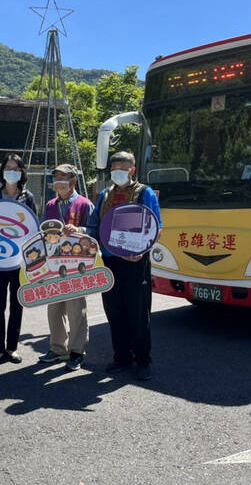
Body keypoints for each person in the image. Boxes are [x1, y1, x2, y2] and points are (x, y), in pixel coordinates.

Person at [86, 151, 162, 381]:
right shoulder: (104, 195)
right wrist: (86, 240)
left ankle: (142, 360)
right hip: (109, 260)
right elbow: (94, 225)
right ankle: (121, 357)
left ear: (133, 169)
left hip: (134, 261)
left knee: (138, 312)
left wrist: (141, 251)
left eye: (123, 167)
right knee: (114, 310)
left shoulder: (144, 193)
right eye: (114, 168)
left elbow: (156, 226)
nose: (118, 171)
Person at [39, 164, 95, 371]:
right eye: (56, 177)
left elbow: (94, 230)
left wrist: (79, 229)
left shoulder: (84, 204)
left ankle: (77, 351)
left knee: (75, 309)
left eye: (63, 177)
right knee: (54, 307)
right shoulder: (51, 204)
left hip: (77, 265)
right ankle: (57, 348)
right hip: (54, 263)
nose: (58, 181)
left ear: (73, 181)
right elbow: (44, 231)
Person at [0, 154, 37, 366]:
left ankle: (12, 348)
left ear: (22, 172)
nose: (12, 171)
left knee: (17, 305)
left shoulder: (28, 197)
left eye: (16, 168)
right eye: (8, 167)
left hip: (19, 261)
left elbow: (33, 228)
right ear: (2, 170)